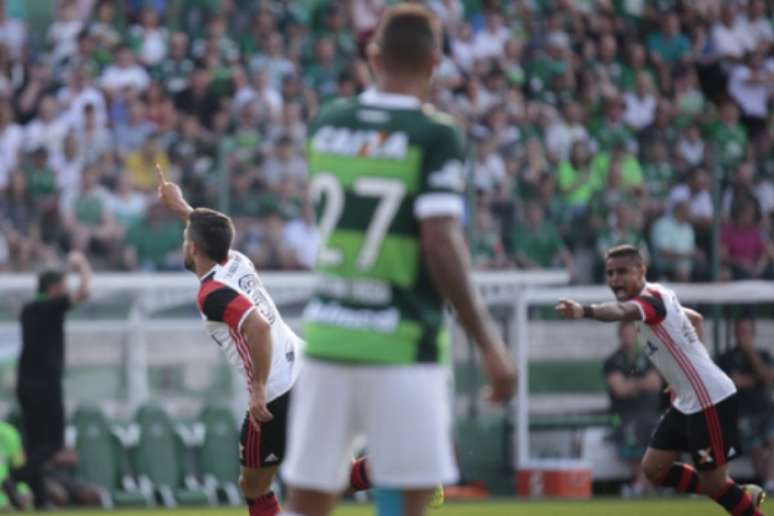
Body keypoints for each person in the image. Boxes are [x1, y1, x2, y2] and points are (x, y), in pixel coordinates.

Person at [280, 5, 516, 516]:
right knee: (408, 502)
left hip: (329, 336)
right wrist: (489, 342)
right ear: (435, 62)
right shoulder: (435, 135)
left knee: (309, 500)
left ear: (373, 55)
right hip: (403, 341)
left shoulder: (327, 123)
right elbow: (439, 243)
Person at [155, 167, 375, 516]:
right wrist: (181, 206)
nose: (185, 242)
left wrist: (257, 388)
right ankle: (397, 464)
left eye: (186, 238)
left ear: (194, 248)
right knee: (328, 476)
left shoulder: (211, 293)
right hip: (306, 365)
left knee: (255, 486)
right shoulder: (237, 260)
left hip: (275, 391)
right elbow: (208, 232)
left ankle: (395, 465)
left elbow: (256, 327)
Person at [556, 244, 765, 515]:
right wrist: (681, 378)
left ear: (641, 270)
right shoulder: (660, 296)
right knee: (653, 469)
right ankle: (734, 492)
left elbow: (619, 312)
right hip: (688, 399)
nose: (615, 279)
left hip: (710, 400)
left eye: (622, 271)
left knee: (714, 485)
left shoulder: (648, 302)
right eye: (610, 273)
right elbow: (697, 320)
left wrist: (584, 311)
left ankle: (737, 498)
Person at [15, 251, 91, 508]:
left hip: (26, 386)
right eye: (62, 286)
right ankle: (13, 479)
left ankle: (37, 499)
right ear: (54, 288)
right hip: (46, 386)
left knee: (36, 444)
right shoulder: (51, 306)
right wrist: (82, 267)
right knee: (51, 446)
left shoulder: (29, 310)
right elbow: (83, 292)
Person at [603, 321, 662, 496]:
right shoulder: (612, 361)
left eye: (631, 333)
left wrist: (631, 384)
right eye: (625, 333)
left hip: (650, 414)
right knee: (633, 432)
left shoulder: (649, 357)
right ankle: (645, 486)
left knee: (659, 434)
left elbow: (656, 383)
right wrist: (642, 384)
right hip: (623, 416)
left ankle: (639, 485)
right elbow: (619, 390)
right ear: (620, 335)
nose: (628, 337)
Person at [718, 319, 774, 493]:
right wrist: (755, 380)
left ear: (753, 334)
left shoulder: (762, 355)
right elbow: (729, 383)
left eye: (747, 331)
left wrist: (751, 355)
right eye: (741, 331)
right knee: (756, 446)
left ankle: (770, 482)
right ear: (735, 333)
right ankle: (768, 482)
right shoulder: (727, 357)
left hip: (766, 410)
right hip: (742, 413)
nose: (744, 335)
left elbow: (767, 378)